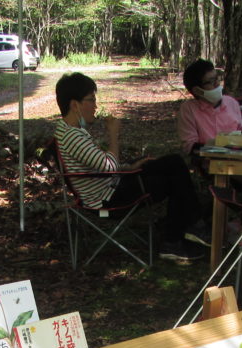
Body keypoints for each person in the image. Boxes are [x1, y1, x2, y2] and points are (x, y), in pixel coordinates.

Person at [54, 72, 207, 261]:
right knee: (173, 177)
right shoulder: (73, 137)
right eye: (91, 100)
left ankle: (186, 230)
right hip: (108, 199)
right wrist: (113, 134)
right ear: (74, 104)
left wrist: (129, 167)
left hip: (112, 185)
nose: (95, 106)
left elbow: (99, 166)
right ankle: (184, 233)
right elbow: (109, 167)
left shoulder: (66, 130)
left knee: (173, 164)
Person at [177, 59, 242, 157]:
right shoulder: (189, 109)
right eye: (211, 82)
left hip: (237, 161)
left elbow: (241, 131)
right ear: (197, 90)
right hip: (207, 164)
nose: (217, 84)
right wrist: (218, 147)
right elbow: (189, 146)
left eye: (217, 78)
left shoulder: (231, 103)